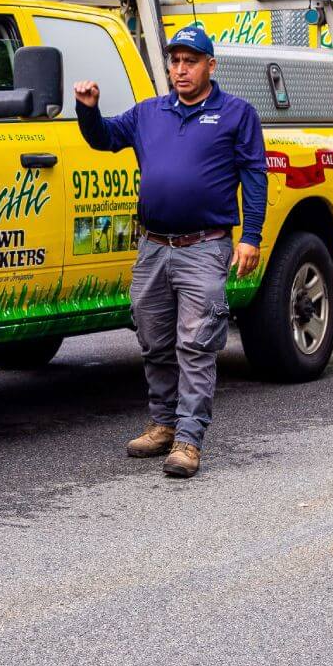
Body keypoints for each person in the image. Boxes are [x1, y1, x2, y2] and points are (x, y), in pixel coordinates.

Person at [73, 24, 267, 479]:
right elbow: (104, 138)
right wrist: (88, 110)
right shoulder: (149, 113)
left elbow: (255, 178)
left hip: (206, 247)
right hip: (153, 248)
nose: (181, 69)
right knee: (153, 337)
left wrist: (251, 236)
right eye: (175, 61)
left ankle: (188, 438)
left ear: (210, 66)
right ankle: (161, 423)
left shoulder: (237, 114)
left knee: (196, 343)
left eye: (191, 61)